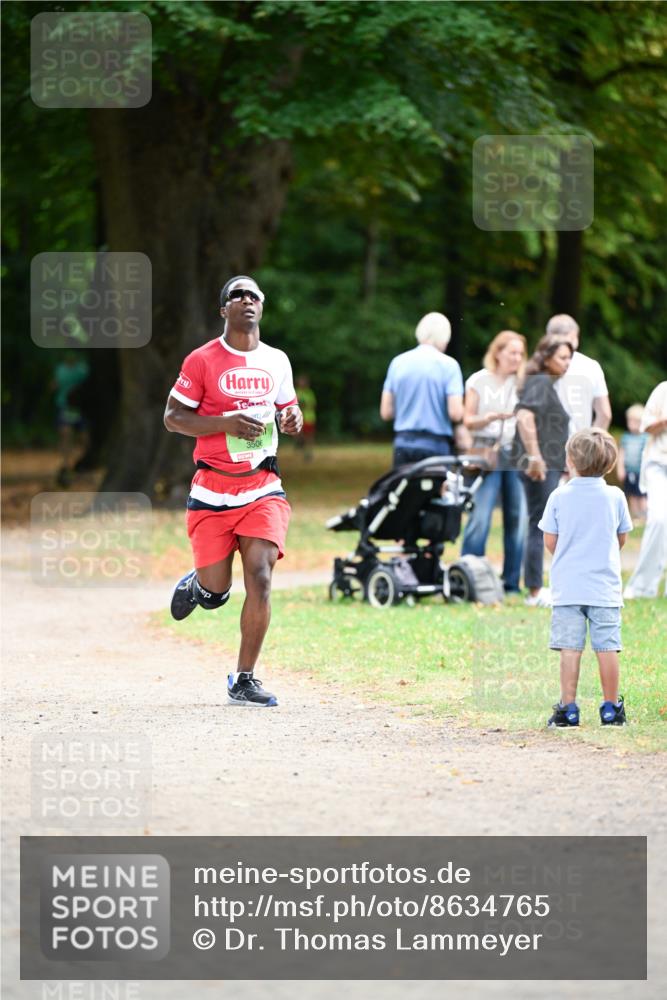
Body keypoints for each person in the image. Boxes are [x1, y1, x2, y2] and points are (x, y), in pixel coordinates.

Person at [164, 276, 303, 707]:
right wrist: (225, 423)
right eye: (236, 296)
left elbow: (286, 408)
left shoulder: (277, 360)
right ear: (223, 310)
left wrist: (293, 418)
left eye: (253, 296)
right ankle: (201, 587)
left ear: (262, 307)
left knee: (260, 576)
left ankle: (244, 678)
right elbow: (173, 417)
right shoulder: (202, 360)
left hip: (262, 487)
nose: (246, 300)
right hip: (211, 491)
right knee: (215, 594)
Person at [539, 429, 633, 727]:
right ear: (608, 463)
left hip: (568, 588)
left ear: (570, 460)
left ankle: (568, 709)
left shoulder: (559, 495)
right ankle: (610, 708)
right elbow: (622, 537)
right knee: (607, 646)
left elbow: (550, 541)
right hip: (604, 588)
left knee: (570, 648)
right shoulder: (615, 496)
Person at [460, 330, 528, 594]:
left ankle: (511, 582)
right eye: (512, 352)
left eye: (520, 353)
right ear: (497, 352)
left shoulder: (522, 383)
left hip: (515, 452)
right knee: (481, 515)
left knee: (517, 516)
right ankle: (469, 577)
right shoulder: (479, 380)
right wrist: (489, 418)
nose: (517, 358)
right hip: (485, 452)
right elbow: (467, 419)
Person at [514, 334, 573, 607]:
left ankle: (537, 587)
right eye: (562, 357)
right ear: (546, 358)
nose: (568, 362)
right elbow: (524, 417)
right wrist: (535, 457)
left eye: (570, 357)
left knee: (541, 523)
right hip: (539, 466)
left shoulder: (545, 383)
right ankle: (535, 591)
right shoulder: (539, 382)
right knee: (540, 524)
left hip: (551, 465)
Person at [380, 312, 463, 467]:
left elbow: (386, 412)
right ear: (444, 337)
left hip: (403, 444)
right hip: (436, 446)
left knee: (405, 490)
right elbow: (456, 413)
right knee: (434, 491)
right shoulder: (449, 365)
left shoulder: (397, 362)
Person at [624, 381, 667, 599]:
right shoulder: (663, 390)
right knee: (658, 520)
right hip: (658, 463)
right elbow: (646, 427)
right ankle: (642, 586)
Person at [546, 313, 611, 433]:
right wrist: (590, 443)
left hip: (545, 445)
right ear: (574, 336)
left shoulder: (539, 364)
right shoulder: (591, 366)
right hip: (579, 445)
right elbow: (605, 414)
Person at [51, 353, 90, 487]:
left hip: (79, 408)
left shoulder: (83, 370)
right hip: (64, 406)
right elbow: (54, 385)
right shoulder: (60, 369)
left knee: (84, 437)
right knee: (66, 434)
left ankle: (83, 463)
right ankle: (65, 465)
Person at [617, 404, 648, 519]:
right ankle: (635, 516)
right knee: (632, 494)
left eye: (636, 421)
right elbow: (621, 455)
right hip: (629, 471)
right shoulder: (626, 438)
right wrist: (620, 468)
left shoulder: (646, 437)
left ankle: (644, 515)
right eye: (630, 420)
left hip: (642, 472)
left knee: (642, 494)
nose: (632, 423)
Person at [294, 374, 317, 461]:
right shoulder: (296, 392)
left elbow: (313, 405)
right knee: (298, 434)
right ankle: (301, 444)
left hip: (309, 418)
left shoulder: (309, 392)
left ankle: (309, 453)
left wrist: (304, 405)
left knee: (309, 437)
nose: (302, 383)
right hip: (299, 418)